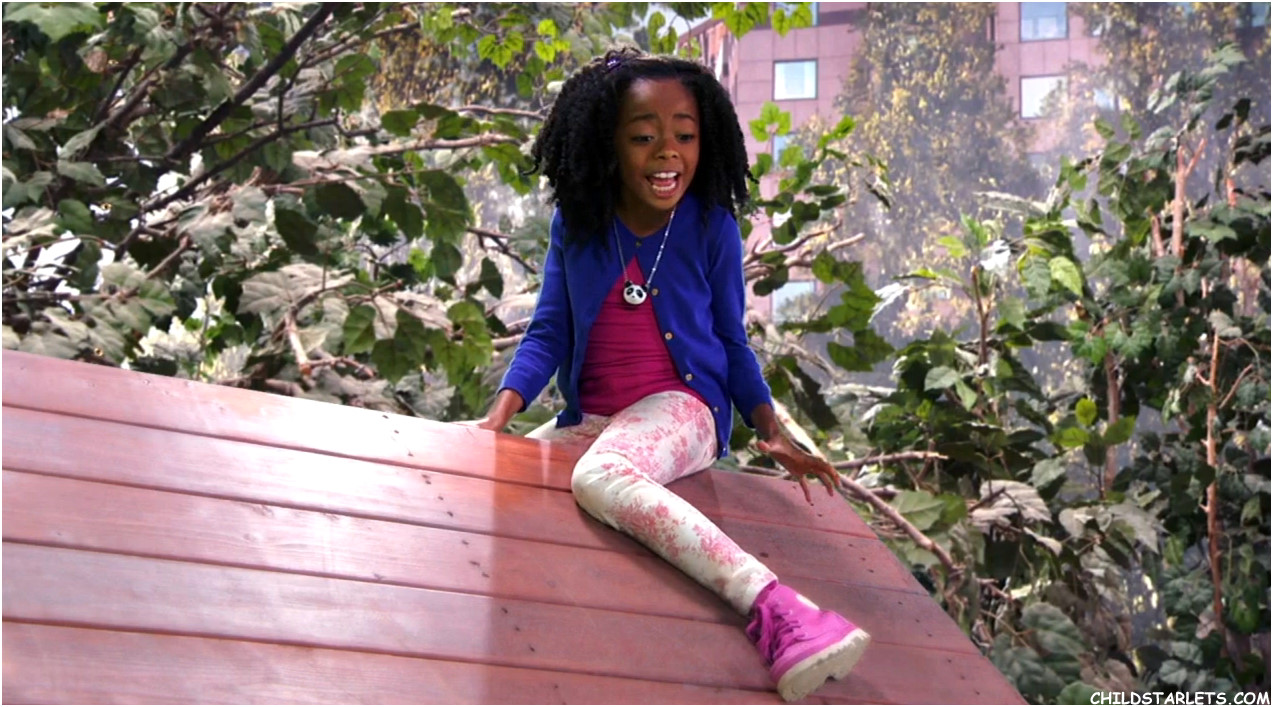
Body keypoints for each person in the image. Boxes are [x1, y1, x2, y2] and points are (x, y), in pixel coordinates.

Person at [465, 48, 870, 702]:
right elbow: (549, 331)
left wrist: (770, 430)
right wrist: (495, 422)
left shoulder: (710, 226)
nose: (667, 154)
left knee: (600, 476)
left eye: (684, 135)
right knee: (497, 477)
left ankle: (781, 608)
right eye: (643, 137)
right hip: (597, 420)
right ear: (607, 143)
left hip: (685, 407)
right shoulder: (578, 224)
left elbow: (732, 341)